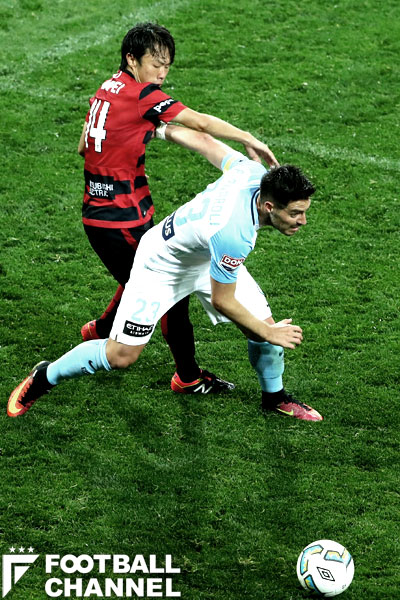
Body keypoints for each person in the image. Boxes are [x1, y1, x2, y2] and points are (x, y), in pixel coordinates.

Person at [7, 129, 322, 422]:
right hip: (161, 265)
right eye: (295, 213)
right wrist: (267, 332)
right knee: (120, 356)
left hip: (204, 256)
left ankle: (274, 397)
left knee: (264, 330)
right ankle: (45, 375)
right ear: (269, 206)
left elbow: (206, 143)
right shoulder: (234, 233)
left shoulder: (252, 172)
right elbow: (223, 300)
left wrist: (159, 129)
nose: (303, 221)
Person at [78, 21, 279, 395]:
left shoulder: (106, 89)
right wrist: (248, 138)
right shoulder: (142, 96)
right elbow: (200, 123)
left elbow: (82, 147)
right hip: (120, 218)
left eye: (167, 66)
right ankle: (187, 377)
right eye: (156, 64)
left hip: (107, 212)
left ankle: (101, 328)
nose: (162, 74)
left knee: (141, 272)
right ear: (132, 59)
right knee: (170, 295)